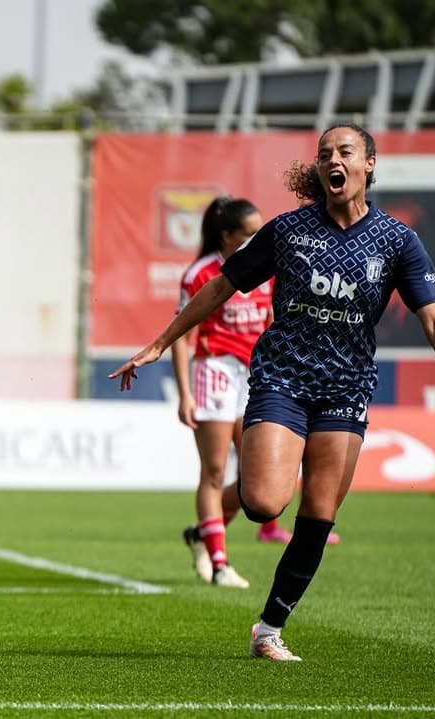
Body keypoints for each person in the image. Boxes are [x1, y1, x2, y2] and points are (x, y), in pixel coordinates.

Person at [110, 123, 435, 661]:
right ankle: (221, 516)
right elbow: (220, 286)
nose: (333, 160)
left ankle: (268, 630)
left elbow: (433, 319)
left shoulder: (398, 241)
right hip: (282, 377)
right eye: (324, 153)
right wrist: (159, 343)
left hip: (347, 387)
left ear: (369, 164)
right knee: (266, 502)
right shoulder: (289, 230)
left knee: (318, 512)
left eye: (345, 152)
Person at [170, 196, 272, 588]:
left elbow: (270, 322)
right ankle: (219, 563)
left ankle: (202, 533)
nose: (258, 239)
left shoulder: (267, 269)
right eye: (250, 233)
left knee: (257, 480)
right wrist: (185, 394)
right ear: (226, 236)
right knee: (214, 473)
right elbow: (182, 335)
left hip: (254, 376)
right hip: (215, 371)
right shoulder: (201, 273)